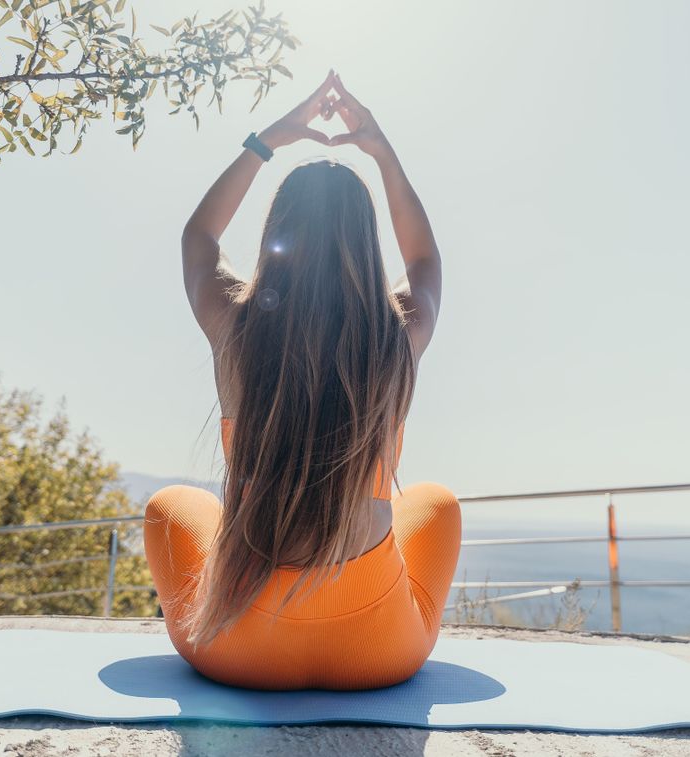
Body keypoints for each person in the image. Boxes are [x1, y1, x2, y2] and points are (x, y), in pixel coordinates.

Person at [144, 70, 461, 691]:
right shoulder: (398, 335)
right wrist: (382, 151)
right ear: (367, 246)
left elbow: (199, 237)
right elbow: (425, 260)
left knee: (171, 507)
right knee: (435, 503)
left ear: (276, 235)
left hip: (237, 645)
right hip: (381, 654)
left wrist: (269, 141)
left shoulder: (235, 323)